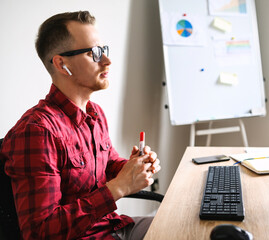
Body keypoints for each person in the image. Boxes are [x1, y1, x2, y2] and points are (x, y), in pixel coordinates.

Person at [0, 11, 161, 240]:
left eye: (104, 50)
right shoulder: (37, 131)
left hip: (114, 227)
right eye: (93, 53)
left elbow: (107, 165)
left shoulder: (94, 113)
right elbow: (40, 232)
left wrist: (133, 167)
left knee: (189, 227)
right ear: (61, 63)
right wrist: (118, 187)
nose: (106, 61)